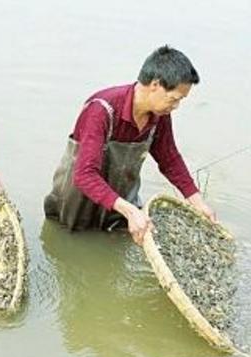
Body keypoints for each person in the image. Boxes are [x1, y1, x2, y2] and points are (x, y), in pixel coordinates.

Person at [44, 45, 215, 244]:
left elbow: (169, 159)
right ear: (155, 84)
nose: (176, 107)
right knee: (70, 252)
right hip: (75, 207)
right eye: (174, 99)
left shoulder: (159, 115)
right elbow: (84, 175)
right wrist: (130, 210)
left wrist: (196, 201)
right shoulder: (102, 110)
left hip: (120, 208)